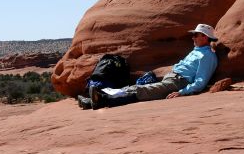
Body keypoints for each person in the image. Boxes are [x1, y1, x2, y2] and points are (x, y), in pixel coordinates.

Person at [89, 23, 218, 110]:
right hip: (172, 79)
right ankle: (98, 97)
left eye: (196, 35)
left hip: (179, 82)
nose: (192, 38)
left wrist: (182, 92)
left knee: (144, 91)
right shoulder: (197, 51)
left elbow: (201, 81)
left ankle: (102, 99)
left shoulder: (207, 56)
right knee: (138, 87)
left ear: (205, 37)